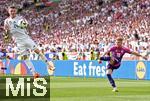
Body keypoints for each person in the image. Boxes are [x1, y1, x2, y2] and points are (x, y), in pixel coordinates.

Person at [3, 5, 55, 78]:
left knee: (38, 51)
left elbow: (27, 26)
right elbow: (7, 33)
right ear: (8, 11)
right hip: (18, 43)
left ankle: (49, 65)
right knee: (25, 58)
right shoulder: (6, 21)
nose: (12, 12)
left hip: (26, 39)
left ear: (16, 11)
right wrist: (6, 34)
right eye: (11, 11)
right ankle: (34, 73)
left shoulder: (20, 19)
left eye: (14, 11)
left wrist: (25, 26)